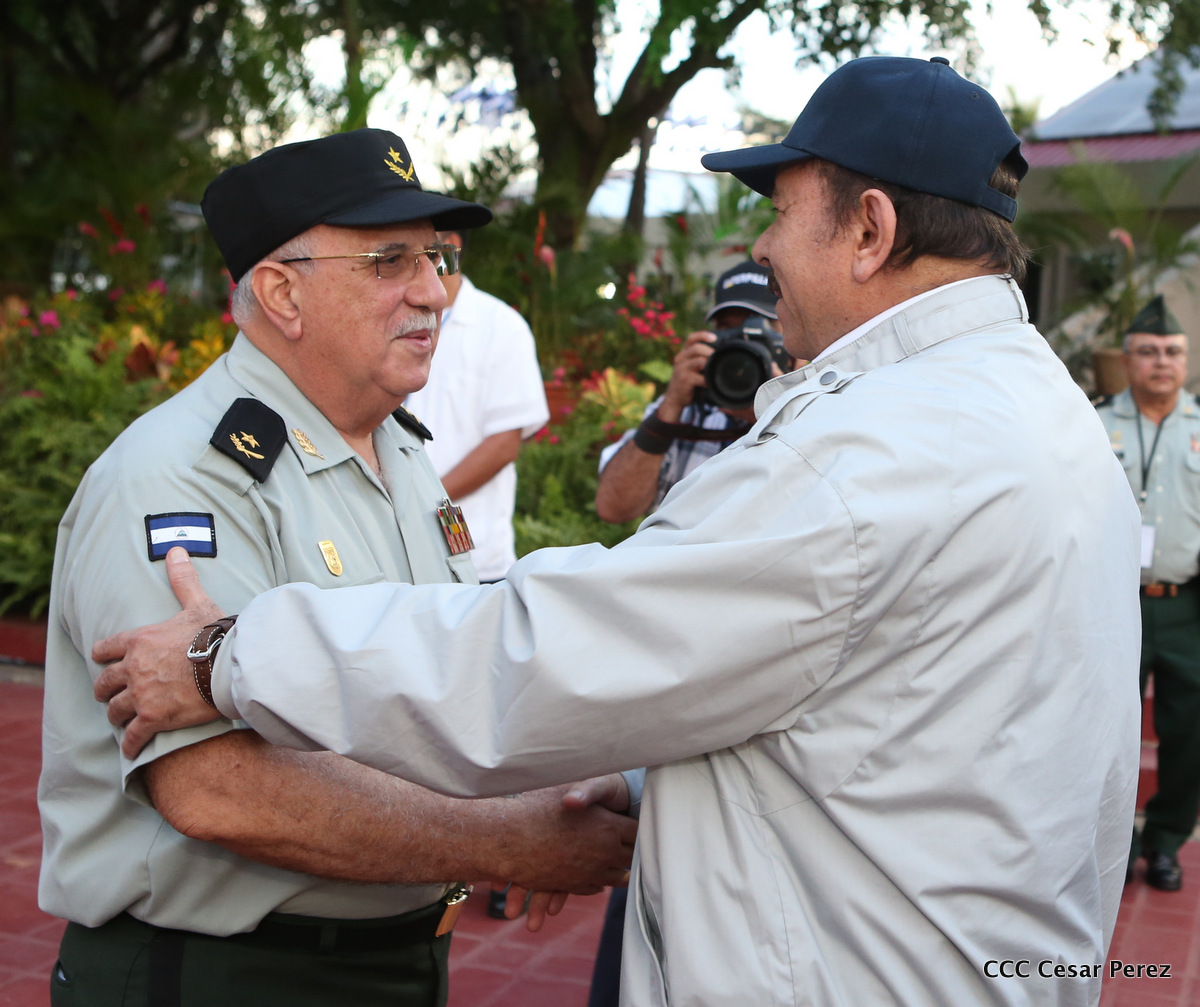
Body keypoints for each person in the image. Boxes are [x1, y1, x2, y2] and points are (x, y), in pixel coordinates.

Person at [95, 57, 1143, 1006]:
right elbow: (884, 711)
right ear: (280, 290)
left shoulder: (865, 454)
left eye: (781, 210)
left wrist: (228, 654)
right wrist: (618, 793)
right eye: (387, 259)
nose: (762, 247)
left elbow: (547, 653)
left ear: (869, 230)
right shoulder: (1042, 414)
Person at [38, 127, 636, 1007]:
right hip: (227, 975)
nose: (433, 291)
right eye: (390, 261)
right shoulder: (182, 475)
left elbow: (433, 680)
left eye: (434, 257)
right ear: (282, 292)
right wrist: (506, 839)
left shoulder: (400, 449)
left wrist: (547, 788)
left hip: (392, 960)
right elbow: (216, 786)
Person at [1095, 295, 1200, 892]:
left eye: (1173, 352)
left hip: (1187, 607)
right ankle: (1117, 844)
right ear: (1128, 359)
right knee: (1110, 734)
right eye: (1150, 351)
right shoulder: (1094, 422)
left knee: (1189, 736)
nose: (1162, 362)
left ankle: (1165, 842)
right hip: (1112, 604)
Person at [404, 227, 549, 581]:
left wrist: (423, 500)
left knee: (462, 586)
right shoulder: (395, 316)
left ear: (450, 246)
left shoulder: (500, 326)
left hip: (469, 539)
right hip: (396, 542)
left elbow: (504, 444)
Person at [594, 260, 780, 523]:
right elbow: (613, 508)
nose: (742, 345)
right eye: (728, 330)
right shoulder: (689, 409)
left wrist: (776, 415)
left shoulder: (814, 410)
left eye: (758, 330)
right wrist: (669, 409)